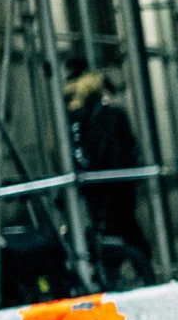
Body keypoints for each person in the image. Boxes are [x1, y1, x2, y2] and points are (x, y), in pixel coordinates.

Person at [63, 57, 153, 285]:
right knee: (121, 228)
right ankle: (131, 270)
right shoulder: (100, 115)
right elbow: (128, 148)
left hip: (106, 184)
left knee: (118, 228)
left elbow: (86, 151)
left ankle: (124, 271)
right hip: (112, 184)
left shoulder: (87, 117)